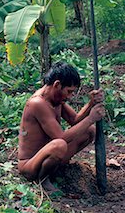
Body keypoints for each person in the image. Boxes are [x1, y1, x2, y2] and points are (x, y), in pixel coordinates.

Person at [17, 62, 105, 191]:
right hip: (30, 165)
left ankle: (54, 168)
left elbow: (74, 120)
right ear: (57, 85)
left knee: (89, 131)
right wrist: (91, 118)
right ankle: (42, 180)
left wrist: (91, 103)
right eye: (68, 91)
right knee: (59, 145)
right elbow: (61, 137)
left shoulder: (56, 98)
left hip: (48, 154)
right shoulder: (38, 103)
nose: (69, 97)